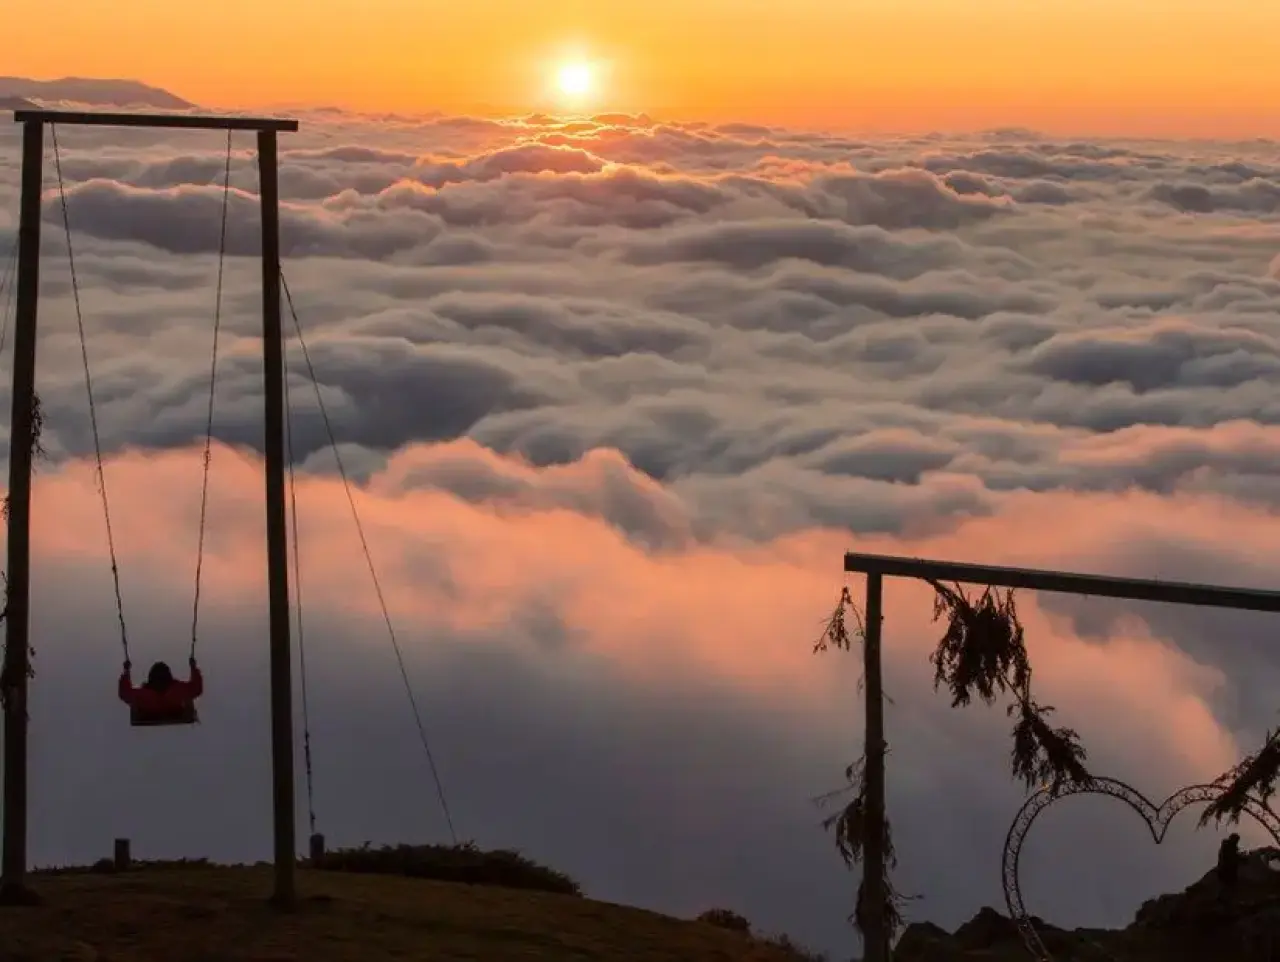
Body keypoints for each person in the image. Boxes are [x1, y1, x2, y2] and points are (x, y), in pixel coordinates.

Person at [118, 658, 203, 722]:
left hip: (149, 713)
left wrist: (126, 672)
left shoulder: (144, 696)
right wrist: (193, 668)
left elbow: (124, 693)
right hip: (174, 711)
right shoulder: (178, 691)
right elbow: (196, 688)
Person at [1216, 832, 1241, 901]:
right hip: (1226, 871)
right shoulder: (1228, 847)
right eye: (1236, 840)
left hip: (1226, 871)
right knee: (1228, 886)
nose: (1236, 842)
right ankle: (1223, 899)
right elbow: (1230, 858)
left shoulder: (1227, 847)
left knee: (1228, 887)